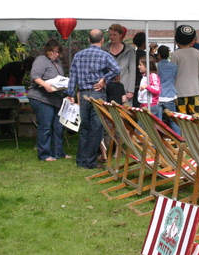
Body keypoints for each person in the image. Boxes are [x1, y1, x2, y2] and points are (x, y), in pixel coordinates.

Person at [66, 29, 121, 170]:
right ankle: (90, 162)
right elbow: (117, 69)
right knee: (96, 129)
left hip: (83, 95)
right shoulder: (104, 55)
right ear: (102, 40)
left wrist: (70, 94)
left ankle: (81, 160)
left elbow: (73, 76)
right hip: (98, 94)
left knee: (84, 128)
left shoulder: (78, 55)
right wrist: (104, 79)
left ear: (89, 40)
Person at [28, 39, 70, 162]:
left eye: (58, 52)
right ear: (47, 50)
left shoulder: (57, 62)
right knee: (45, 126)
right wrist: (46, 86)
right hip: (41, 98)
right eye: (54, 51)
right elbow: (35, 76)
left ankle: (58, 152)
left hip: (56, 98)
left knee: (58, 126)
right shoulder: (41, 60)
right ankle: (44, 154)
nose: (56, 54)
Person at [172, 25, 199, 115]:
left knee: (181, 116)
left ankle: (182, 130)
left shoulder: (175, 54)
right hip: (195, 89)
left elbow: (173, 74)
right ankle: (195, 129)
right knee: (195, 116)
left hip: (179, 90)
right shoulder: (197, 52)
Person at [103, 24, 136, 104]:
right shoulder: (104, 49)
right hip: (109, 88)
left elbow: (132, 70)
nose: (112, 37)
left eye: (114, 35)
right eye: (110, 35)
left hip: (125, 87)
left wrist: (131, 90)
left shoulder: (129, 50)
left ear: (120, 35)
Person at [156, 45, 180, 135]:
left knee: (158, 121)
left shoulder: (156, 66)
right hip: (170, 95)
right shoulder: (174, 66)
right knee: (173, 121)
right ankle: (179, 140)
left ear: (159, 55)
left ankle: (158, 140)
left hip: (158, 96)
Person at [133, 32, 147, 107]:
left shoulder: (133, 54)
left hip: (133, 83)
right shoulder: (146, 56)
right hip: (143, 84)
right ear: (144, 43)